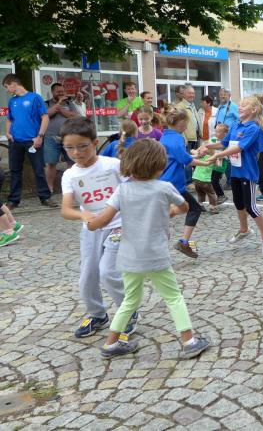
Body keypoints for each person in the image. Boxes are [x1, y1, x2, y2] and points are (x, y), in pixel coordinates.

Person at [87, 138, 211, 359]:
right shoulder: (164, 188)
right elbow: (184, 207)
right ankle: (189, 341)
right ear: (160, 165)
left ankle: (110, 344)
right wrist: (171, 211)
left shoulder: (122, 190)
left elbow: (103, 219)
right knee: (173, 297)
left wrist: (90, 223)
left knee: (130, 300)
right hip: (156, 256)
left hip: (129, 257)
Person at [58, 117, 134, 338]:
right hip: (91, 229)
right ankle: (97, 314)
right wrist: (82, 214)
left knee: (108, 271)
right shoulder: (70, 175)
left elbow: (133, 191)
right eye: (69, 148)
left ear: (94, 142)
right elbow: (66, 209)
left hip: (118, 226)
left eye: (83, 146)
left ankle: (128, 313)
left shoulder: (113, 165)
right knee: (87, 275)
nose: (76, 152)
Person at [200, 96, 263, 256]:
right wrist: (207, 146)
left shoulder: (253, 128)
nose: (239, 107)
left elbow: (239, 148)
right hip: (236, 172)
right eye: (239, 105)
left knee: (251, 207)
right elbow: (224, 143)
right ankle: (244, 230)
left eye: (244, 105)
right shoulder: (236, 125)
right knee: (239, 203)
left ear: (253, 110)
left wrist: (217, 155)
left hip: (248, 173)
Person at [159, 109, 212, 259]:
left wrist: (196, 155)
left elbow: (178, 156)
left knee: (174, 210)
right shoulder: (177, 138)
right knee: (194, 209)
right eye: (186, 124)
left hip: (164, 180)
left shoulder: (165, 136)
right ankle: (183, 242)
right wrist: (205, 163)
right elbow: (185, 160)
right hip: (174, 183)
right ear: (180, 124)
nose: (187, 126)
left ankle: (180, 240)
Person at [3, 74, 56, 208]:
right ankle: (13, 200)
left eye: (6, 87)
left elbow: (45, 117)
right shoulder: (12, 101)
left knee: (39, 170)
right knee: (15, 171)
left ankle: (45, 198)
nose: (6, 90)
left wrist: (40, 136)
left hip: (33, 140)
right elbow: (10, 119)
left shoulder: (35, 97)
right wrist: (8, 133)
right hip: (15, 141)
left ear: (13, 84)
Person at [44, 82, 79, 194]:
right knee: (51, 163)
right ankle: (49, 189)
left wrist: (60, 110)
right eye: (58, 91)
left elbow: (75, 116)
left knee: (71, 162)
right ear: (52, 92)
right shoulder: (46, 103)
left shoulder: (69, 103)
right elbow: (46, 114)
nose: (61, 93)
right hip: (51, 137)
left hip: (68, 137)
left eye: (62, 91)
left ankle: (69, 188)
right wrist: (58, 104)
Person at [174, 84, 201, 185]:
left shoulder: (192, 105)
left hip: (195, 137)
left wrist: (200, 133)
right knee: (188, 161)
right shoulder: (180, 107)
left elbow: (196, 121)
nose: (192, 95)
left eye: (193, 93)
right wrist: (183, 137)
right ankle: (188, 183)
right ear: (184, 94)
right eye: (190, 93)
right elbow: (178, 124)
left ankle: (196, 181)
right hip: (187, 139)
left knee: (196, 158)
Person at [209, 123, 230, 203]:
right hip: (214, 161)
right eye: (216, 131)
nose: (216, 133)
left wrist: (221, 155)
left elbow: (227, 152)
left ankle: (221, 195)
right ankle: (220, 194)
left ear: (225, 133)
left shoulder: (227, 142)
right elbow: (209, 146)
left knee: (214, 179)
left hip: (222, 162)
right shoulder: (214, 139)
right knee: (214, 179)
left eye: (218, 132)